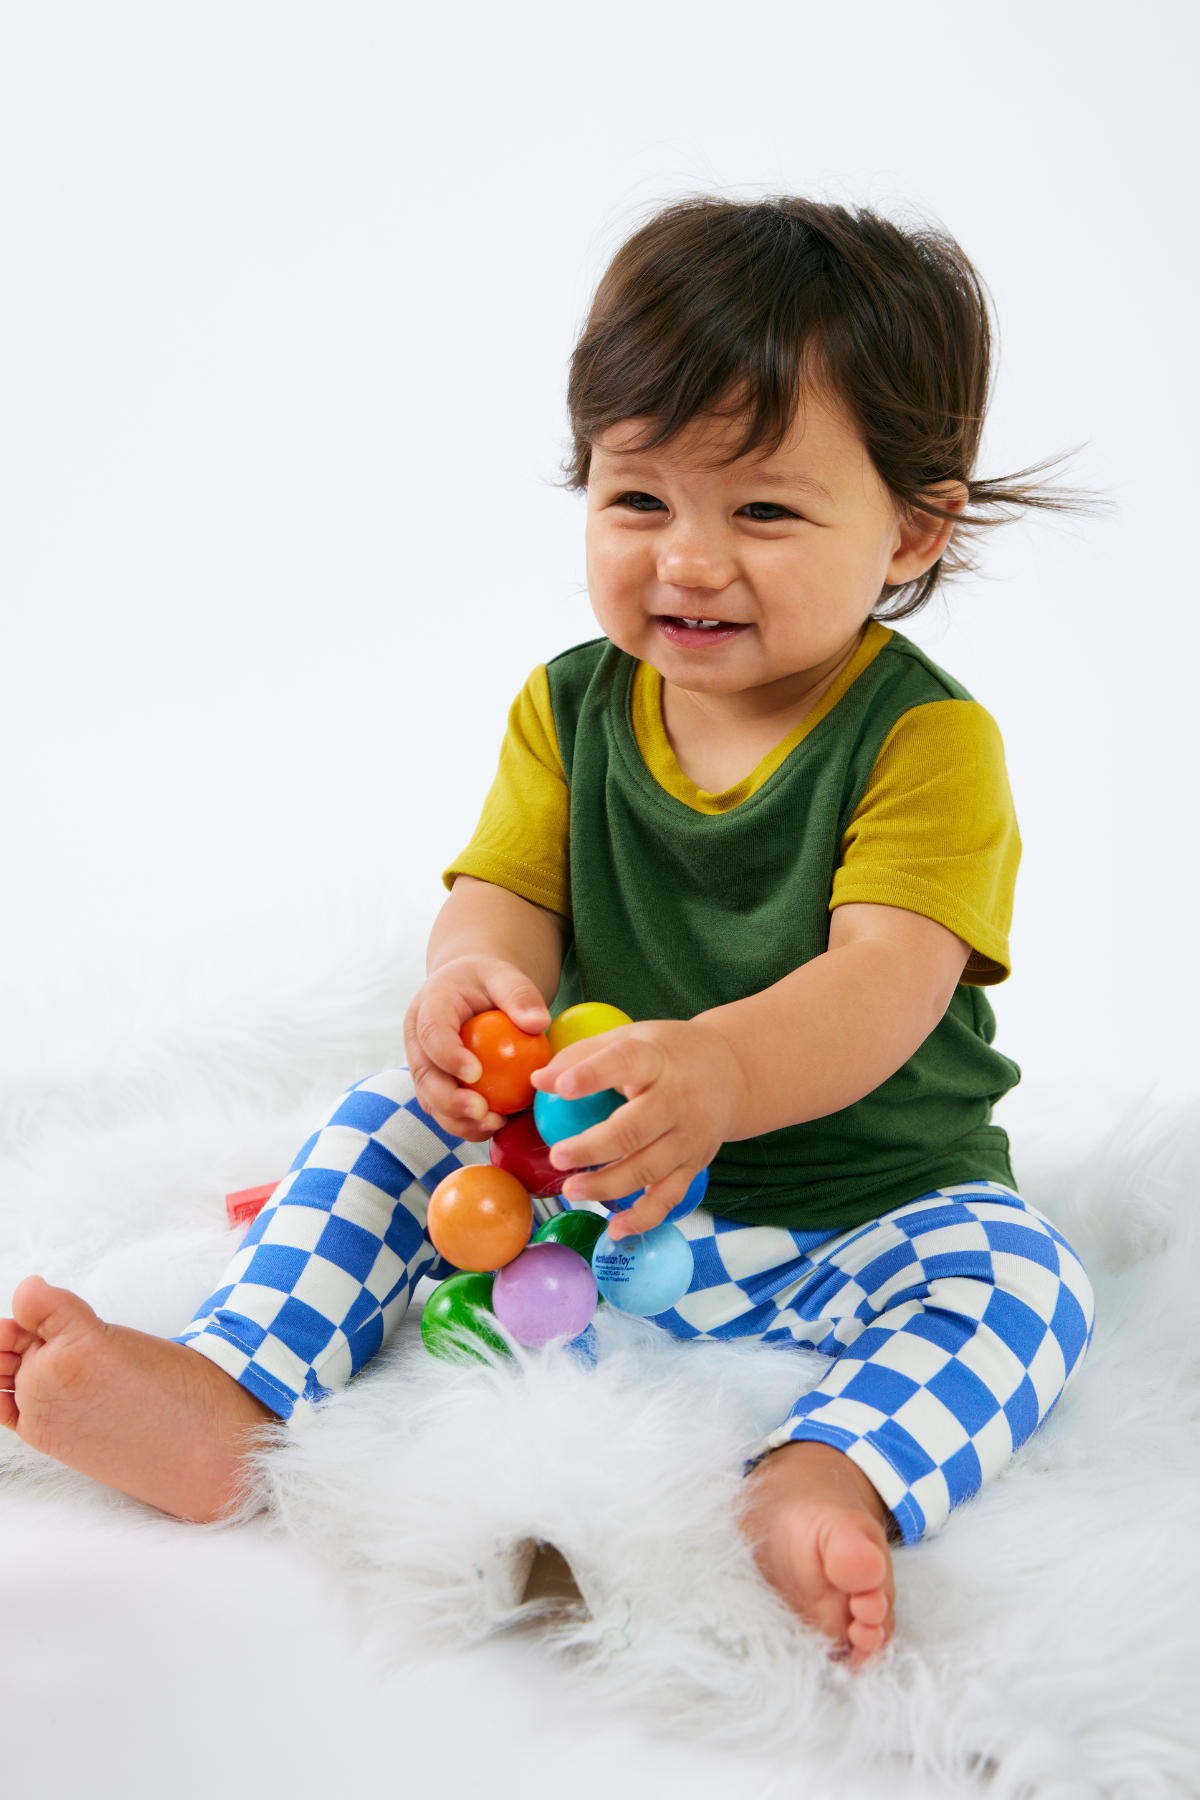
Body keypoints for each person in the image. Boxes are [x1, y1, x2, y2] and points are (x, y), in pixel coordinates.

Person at [0, 197, 1094, 1664]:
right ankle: (229, 1394)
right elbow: (504, 893)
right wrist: (470, 984)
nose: (689, 561)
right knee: (377, 1131)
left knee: (1028, 1286)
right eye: (640, 500)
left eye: (763, 510)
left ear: (914, 524)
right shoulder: (568, 706)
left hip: (850, 1208)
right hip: (570, 1193)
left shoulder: (926, 743)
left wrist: (715, 1074)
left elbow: (883, 982)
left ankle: (827, 1471)